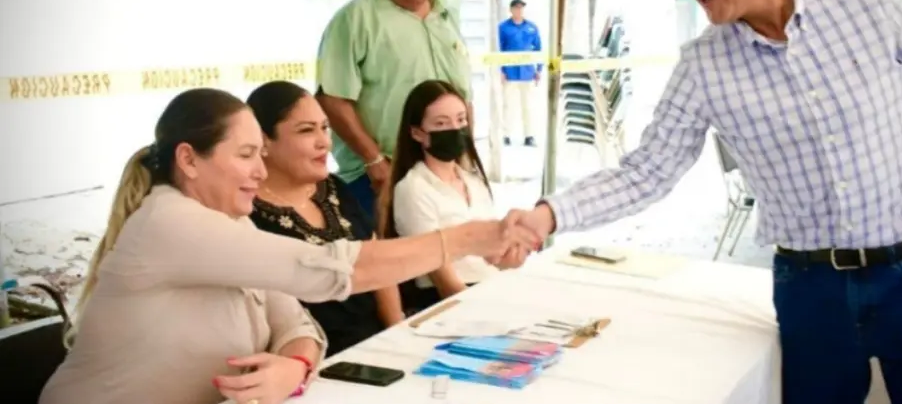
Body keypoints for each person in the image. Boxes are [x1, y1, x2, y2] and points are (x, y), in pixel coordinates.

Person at [500, 0, 902, 404]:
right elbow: (646, 172)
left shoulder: (867, 3)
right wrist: (548, 215)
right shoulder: (703, 65)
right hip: (812, 290)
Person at [40, 88, 537, 404]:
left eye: (261, 154)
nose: (260, 171)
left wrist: (293, 366)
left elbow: (298, 322)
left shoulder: (235, 229)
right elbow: (328, 269)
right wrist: (469, 237)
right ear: (189, 160)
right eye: (246, 155)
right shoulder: (168, 222)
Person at [316, 0, 473, 223]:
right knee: (389, 262)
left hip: (442, 168)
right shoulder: (356, 18)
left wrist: (467, 156)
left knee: (442, 259)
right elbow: (332, 99)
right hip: (380, 174)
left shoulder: (446, 17)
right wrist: (374, 160)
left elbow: (464, 96)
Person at [246, 81, 405, 356]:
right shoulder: (247, 212)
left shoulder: (334, 188)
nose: (325, 142)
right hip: (308, 361)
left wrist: (398, 337)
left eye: (325, 128)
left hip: (377, 348)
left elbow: (378, 266)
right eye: (307, 130)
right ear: (263, 141)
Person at [378, 80, 501, 312]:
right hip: (450, 304)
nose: (455, 130)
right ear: (417, 133)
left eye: (461, 119)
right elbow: (445, 283)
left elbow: (498, 255)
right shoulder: (413, 189)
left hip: (491, 291)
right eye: (441, 123)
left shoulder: (473, 181)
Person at [498, 0, 543, 146]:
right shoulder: (503, 28)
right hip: (510, 72)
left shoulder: (531, 27)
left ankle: (529, 135)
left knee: (528, 105)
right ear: (511, 10)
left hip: (527, 73)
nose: (519, 10)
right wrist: (501, 70)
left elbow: (538, 49)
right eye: (516, 8)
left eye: (521, 8)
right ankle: (506, 134)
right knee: (508, 105)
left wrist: (539, 70)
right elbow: (499, 50)